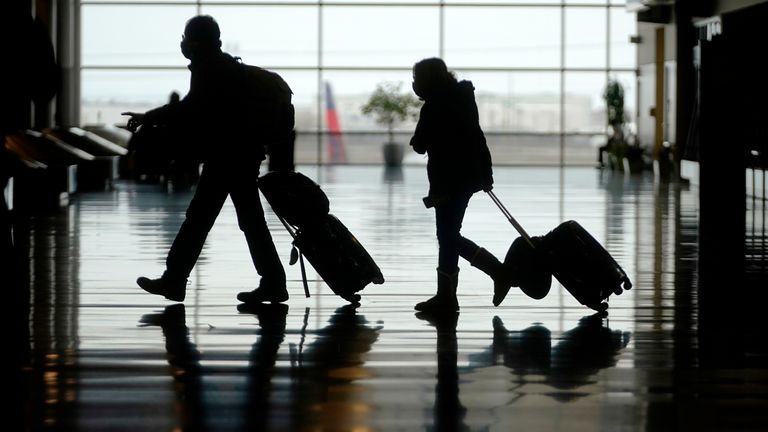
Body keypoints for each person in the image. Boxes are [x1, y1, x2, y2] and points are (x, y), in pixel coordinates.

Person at [123, 15, 287, 305]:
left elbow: (190, 108)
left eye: (185, 38)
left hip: (228, 157)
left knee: (200, 220)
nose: (183, 43)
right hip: (239, 155)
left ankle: (176, 280)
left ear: (196, 42)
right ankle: (272, 282)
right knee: (244, 222)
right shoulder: (223, 65)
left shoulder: (210, 68)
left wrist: (149, 118)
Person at [410, 57, 517, 314]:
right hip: (467, 177)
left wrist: (420, 137)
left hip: (446, 179)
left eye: (416, 79)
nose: (414, 84)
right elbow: (475, 135)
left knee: (447, 236)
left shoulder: (435, 104)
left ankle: (497, 272)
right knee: (448, 235)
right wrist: (485, 172)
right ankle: (447, 297)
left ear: (428, 80)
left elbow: (420, 144)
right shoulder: (463, 99)